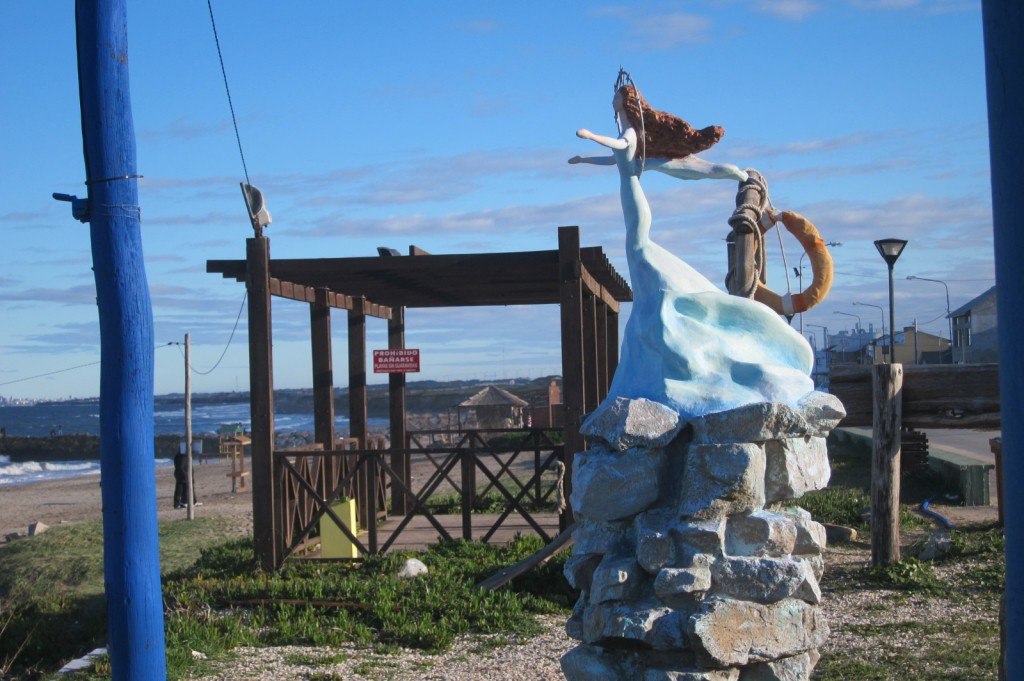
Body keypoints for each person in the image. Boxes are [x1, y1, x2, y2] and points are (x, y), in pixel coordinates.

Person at [568, 73, 814, 418]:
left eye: (615, 99)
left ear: (624, 103)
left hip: (636, 205)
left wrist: (590, 137)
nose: (612, 104)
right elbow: (621, 160)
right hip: (631, 197)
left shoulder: (629, 134)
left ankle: (670, 338)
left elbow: (623, 148)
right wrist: (584, 160)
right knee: (640, 257)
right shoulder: (634, 139)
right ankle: (652, 345)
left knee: (638, 247)